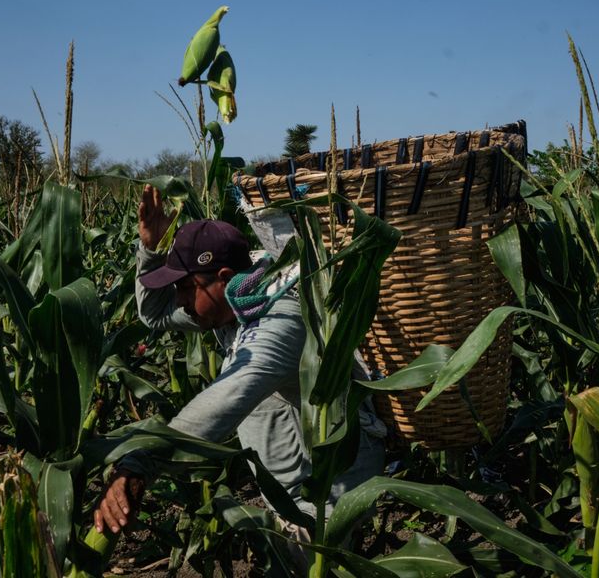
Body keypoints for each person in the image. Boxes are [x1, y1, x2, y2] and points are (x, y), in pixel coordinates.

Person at [93, 185, 385, 536]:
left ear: (224, 279)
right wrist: (152, 251)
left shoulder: (280, 318)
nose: (181, 301)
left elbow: (233, 390)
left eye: (186, 288)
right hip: (294, 496)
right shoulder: (238, 301)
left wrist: (142, 462)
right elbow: (155, 315)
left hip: (328, 496)